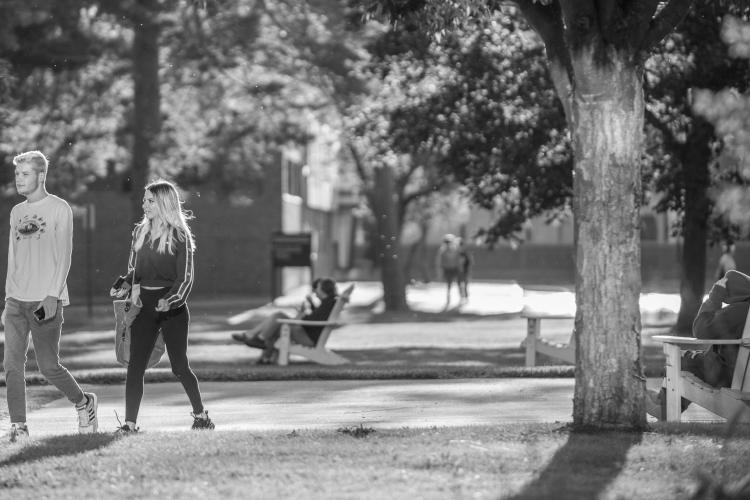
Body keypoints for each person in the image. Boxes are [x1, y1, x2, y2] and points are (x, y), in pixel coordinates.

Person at [2, 151, 98, 442]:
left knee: (48, 366)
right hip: (17, 300)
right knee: (11, 366)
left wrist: (52, 295)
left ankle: (84, 403)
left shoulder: (59, 208)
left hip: (46, 300)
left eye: (25, 174)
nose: (19, 179)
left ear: (41, 176)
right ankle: (19, 426)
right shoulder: (17, 212)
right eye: (17, 174)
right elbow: (13, 258)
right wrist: (7, 300)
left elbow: (65, 256)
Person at [109, 179, 214, 433]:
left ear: (164, 202)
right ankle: (130, 425)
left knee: (179, 367)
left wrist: (172, 300)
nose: (144, 204)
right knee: (135, 366)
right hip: (144, 307)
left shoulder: (180, 235)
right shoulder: (139, 232)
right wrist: (123, 283)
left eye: (150, 201)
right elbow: (136, 271)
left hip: (173, 310)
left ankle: (201, 417)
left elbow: (185, 278)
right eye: (144, 200)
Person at [646, 269, 750, 420]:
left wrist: (715, 295)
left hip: (731, 375)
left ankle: (664, 408)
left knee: (684, 358)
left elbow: (701, 329)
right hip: (743, 374)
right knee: (696, 360)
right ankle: (662, 400)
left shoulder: (741, 310)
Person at [231, 278, 338, 364]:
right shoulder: (329, 302)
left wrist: (301, 315)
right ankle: (264, 355)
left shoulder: (328, 303)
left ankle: (256, 338)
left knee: (278, 317)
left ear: (323, 289)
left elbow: (312, 320)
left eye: (318, 288)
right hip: (309, 334)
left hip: (309, 338)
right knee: (277, 322)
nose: (315, 291)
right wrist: (307, 310)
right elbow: (318, 317)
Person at [436, 234, 462, 310]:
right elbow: (439, 262)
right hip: (447, 269)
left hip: (455, 269)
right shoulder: (442, 251)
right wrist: (440, 272)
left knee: (459, 283)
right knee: (449, 285)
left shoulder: (456, 250)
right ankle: (448, 298)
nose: (448, 244)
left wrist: (460, 268)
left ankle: (461, 296)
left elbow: (458, 260)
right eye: (447, 242)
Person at [456, 237, 473, 305]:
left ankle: (466, 296)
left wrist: (468, 270)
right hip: (458, 271)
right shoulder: (456, 253)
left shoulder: (466, 253)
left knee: (465, 285)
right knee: (459, 284)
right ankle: (461, 296)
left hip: (465, 271)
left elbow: (470, 262)